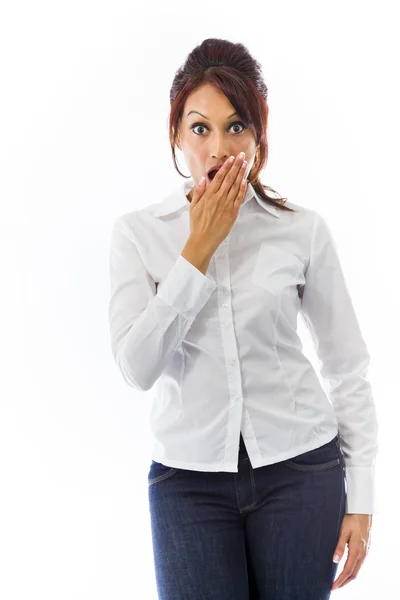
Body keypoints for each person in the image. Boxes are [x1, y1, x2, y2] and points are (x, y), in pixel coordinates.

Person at [108, 38, 378, 599]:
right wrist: (197, 251)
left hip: (302, 472)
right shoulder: (139, 234)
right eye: (201, 127)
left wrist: (363, 497)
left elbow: (347, 366)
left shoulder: (301, 229)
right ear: (177, 133)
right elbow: (137, 368)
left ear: (259, 136)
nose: (219, 148)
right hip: (187, 484)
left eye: (237, 127)